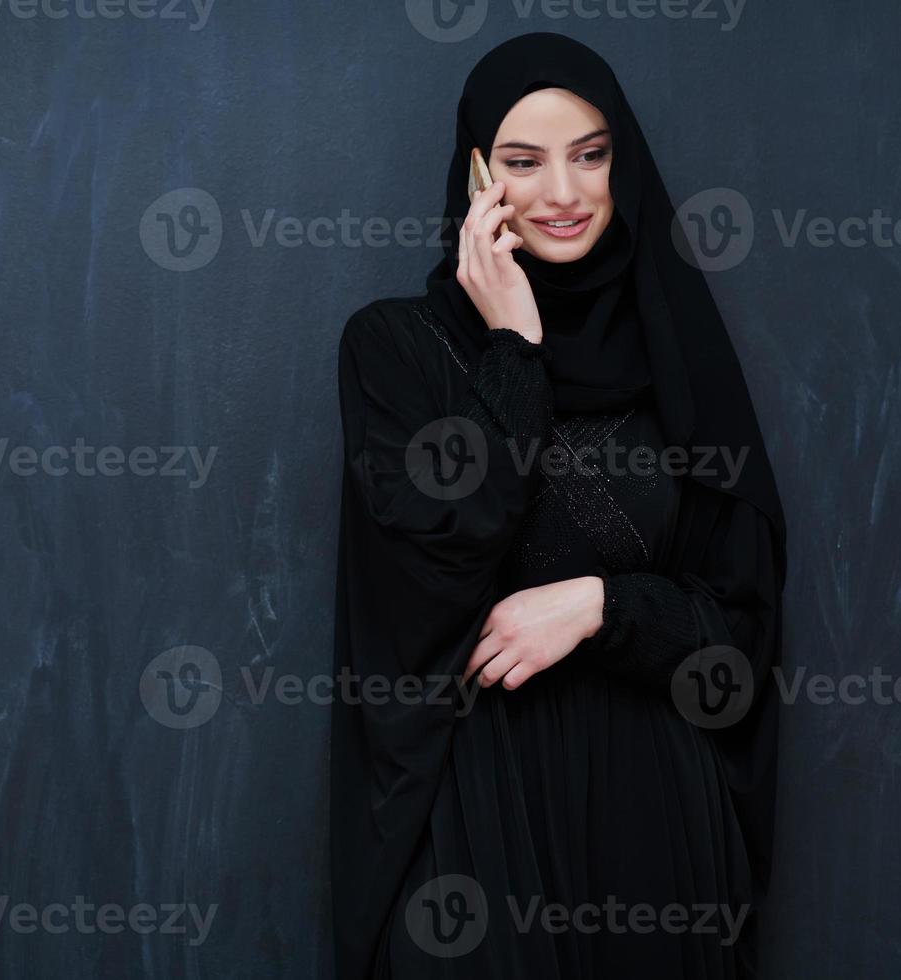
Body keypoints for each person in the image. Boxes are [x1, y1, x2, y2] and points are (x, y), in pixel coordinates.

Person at [330, 32, 788, 979]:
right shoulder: (396, 351)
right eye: (523, 162)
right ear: (475, 175)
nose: (565, 193)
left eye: (591, 154)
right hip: (475, 806)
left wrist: (601, 607)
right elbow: (440, 555)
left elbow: (740, 637)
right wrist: (515, 350)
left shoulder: (678, 363)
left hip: (656, 812)